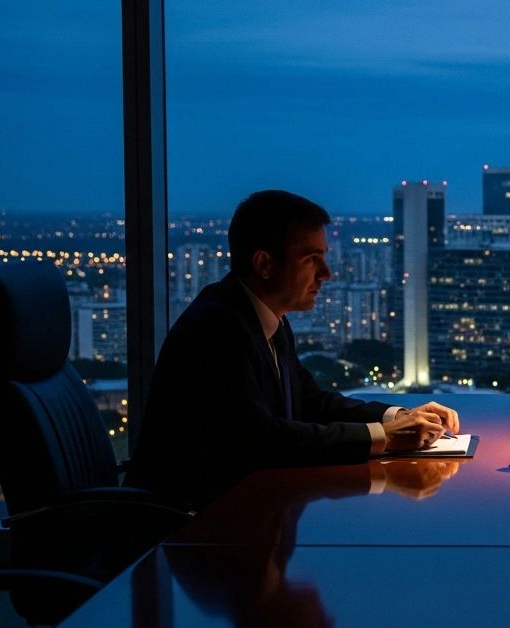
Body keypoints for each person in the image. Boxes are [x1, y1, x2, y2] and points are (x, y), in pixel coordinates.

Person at [127, 189, 459, 509]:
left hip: (248, 509)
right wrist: (384, 436)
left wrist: (398, 417)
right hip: (188, 530)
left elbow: (309, 401)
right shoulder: (217, 328)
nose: (326, 274)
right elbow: (262, 440)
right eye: (311, 259)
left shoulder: (266, 318)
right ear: (264, 264)